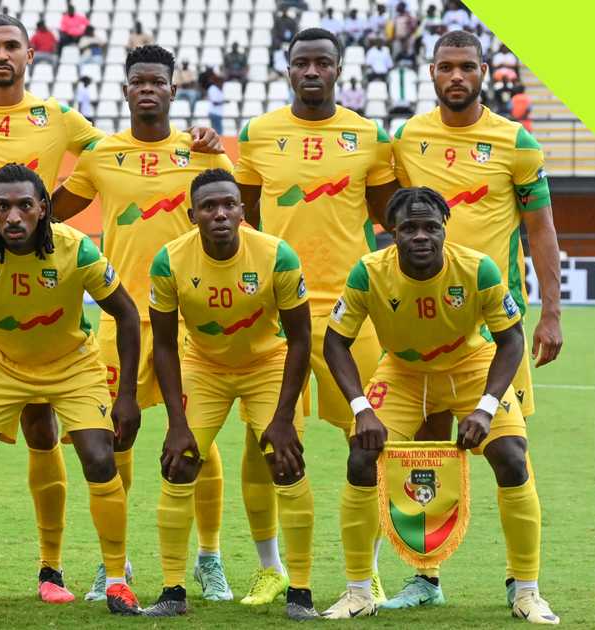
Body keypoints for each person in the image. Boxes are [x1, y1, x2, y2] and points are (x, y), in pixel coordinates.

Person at [0, 17, 221, 604]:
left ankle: (60, 569)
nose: (1, 54)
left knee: (65, 435)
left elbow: (124, 149)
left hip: (87, 316)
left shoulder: (59, 118)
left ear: (30, 55)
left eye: (11, 45)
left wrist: (198, 138)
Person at [321, 187, 560, 625]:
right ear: (391, 233)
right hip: (403, 373)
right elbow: (335, 340)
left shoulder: (477, 268)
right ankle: (358, 591)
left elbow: (510, 340)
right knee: (361, 457)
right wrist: (361, 408)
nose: (420, 236)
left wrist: (487, 407)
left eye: (430, 227)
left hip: (470, 366)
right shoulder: (368, 272)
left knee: (511, 457)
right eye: (408, 228)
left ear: (444, 229)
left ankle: (526, 591)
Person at [0, 164, 143, 615]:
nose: (13, 216)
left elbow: (128, 314)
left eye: (24, 206)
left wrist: (127, 396)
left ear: (43, 210)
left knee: (99, 458)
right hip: (0, 363)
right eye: (2, 207)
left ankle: (117, 581)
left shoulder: (76, 248)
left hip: (72, 365)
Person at [51, 44, 234, 603]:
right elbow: (50, 213)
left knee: (198, 442)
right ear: (126, 91)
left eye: (159, 80)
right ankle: (117, 563)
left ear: (174, 90)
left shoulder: (203, 154)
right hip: (120, 319)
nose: (148, 88)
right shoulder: (102, 155)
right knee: (114, 442)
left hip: (189, 323)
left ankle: (209, 558)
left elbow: (241, 221)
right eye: (139, 81)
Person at [388, 31, 561, 609]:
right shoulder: (409, 137)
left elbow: (540, 229)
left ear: (484, 71)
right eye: (446, 67)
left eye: (466, 67)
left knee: (509, 453)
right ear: (431, 73)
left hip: (493, 329)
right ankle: (426, 577)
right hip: (423, 327)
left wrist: (551, 314)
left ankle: (523, 584)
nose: (456, 77)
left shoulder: (516, 142)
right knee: (428, 452)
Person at [234, 27, 398, 606]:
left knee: (370, 439)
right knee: (265, 442)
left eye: (321, 63)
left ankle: (367, 570)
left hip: (352, 312)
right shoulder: (258, 135)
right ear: (287, 70)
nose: (311, 72)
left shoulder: (368, 137)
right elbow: (244, 217)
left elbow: (386, 219)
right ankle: (270, 567)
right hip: (274, 313)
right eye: (301, 63)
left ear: (338, 70)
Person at [140, 169, 316, 619]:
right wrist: (176, 425)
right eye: (209, 207)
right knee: (179, 463)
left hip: (267, 364)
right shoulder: (169, 261)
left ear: (243, 211)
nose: (220, 214)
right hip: (204, 366)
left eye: (229, 205)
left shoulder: (277, 256)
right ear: (192, 215)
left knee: (285, 459)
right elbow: (163, 344)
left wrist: (282, 416)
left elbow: (300, 340)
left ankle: (300, 592)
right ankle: (172, 592)